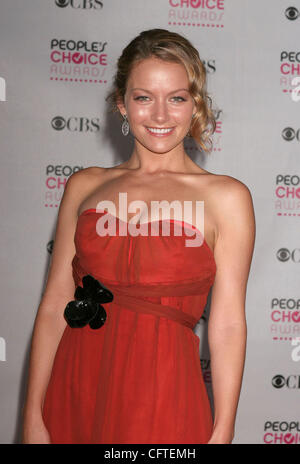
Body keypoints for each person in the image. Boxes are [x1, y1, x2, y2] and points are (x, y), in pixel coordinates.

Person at [21, 28, 255, 444]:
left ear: (196, 104)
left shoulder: (226, 197)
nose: (161, 115)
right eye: (144, 97)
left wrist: (223, 430)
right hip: (75, 386)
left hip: (164, 392)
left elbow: (228, 323)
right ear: (121, 104)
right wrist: (34, 417)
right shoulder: (84, 185)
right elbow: (55, 304)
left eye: (177, 98)